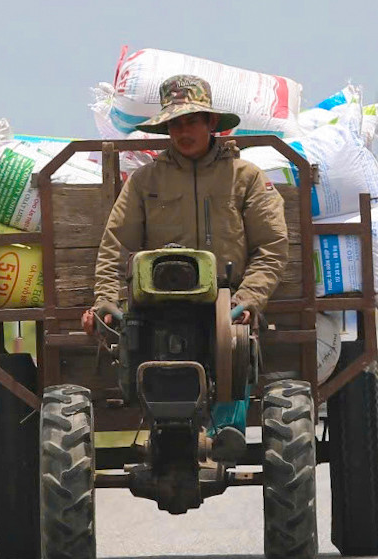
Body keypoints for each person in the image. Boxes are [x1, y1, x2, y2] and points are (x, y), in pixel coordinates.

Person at [81, 74, 289, 443]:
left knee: (235, 343)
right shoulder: (145, 182)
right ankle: (163, 426)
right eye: (175, 123)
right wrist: (106, 302)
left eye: (192, 120)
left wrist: (247, 301)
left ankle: (226, 434)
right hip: (156, 304)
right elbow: (115, 246)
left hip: (225, 303)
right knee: (135, 339)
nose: (183, 131)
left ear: (211, 124)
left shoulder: (246, 178)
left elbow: (272, 247)